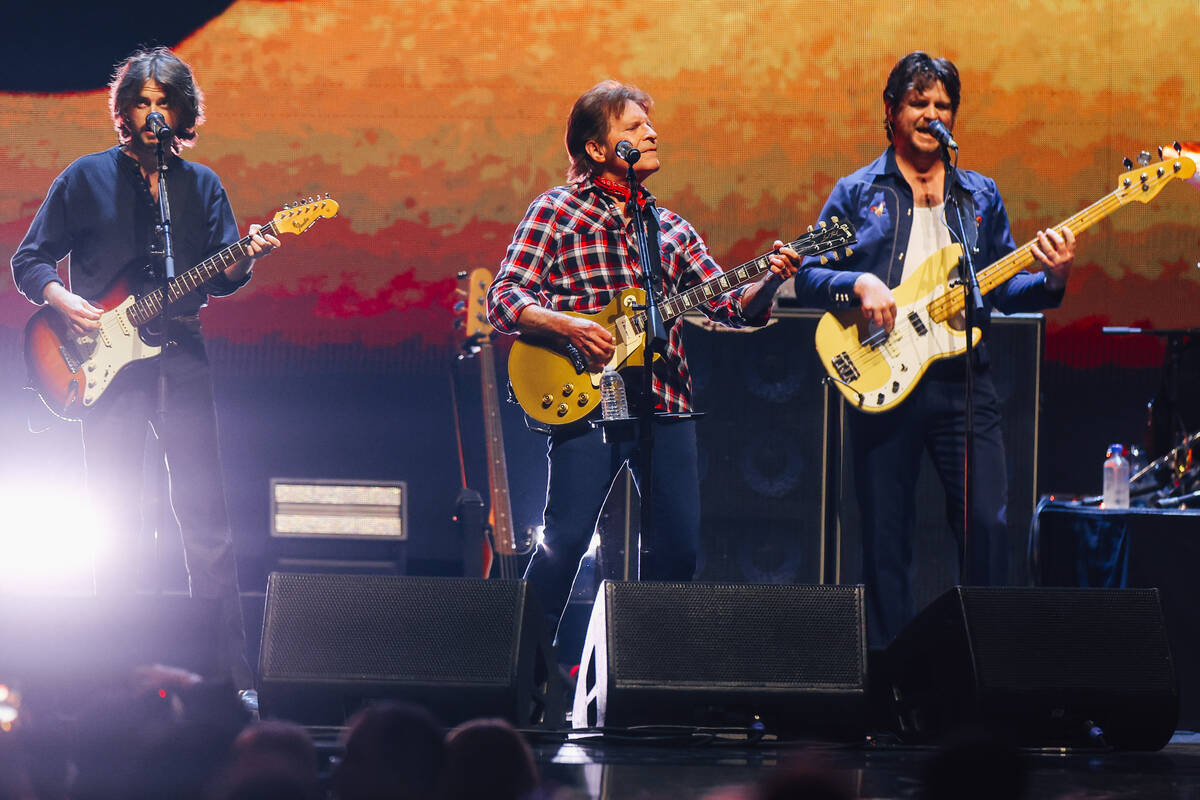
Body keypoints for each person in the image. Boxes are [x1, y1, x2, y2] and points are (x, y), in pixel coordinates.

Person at [487, 79, 801, 650]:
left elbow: (731, 306)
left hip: (665, 402)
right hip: (592, 397)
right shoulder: (556, 211)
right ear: (597, 149)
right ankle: (517, 670)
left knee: (677, 550)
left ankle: (651, 679)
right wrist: (569, 325)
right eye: (632, 128)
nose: (651, 134)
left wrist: (771, 279)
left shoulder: (670, 228)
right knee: (565, 541)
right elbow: (505, 298)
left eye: (649, 126)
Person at [10, 47, 279, 691]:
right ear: (123, 110)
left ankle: (228, 681)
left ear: (182, 111)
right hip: (98, 364)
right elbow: (31, 260)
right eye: (142, 101)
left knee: (206, 515)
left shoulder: (201, 186)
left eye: (165, 102)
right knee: (116, 517)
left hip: (181, 355)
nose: (152, 112)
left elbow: (224, 274)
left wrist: (248, 257)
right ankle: (115, 677)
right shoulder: (85, 178)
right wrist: (63, 298)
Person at [793, 52, 1076, 647]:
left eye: (942, 105)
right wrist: (860, 282)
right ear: (892, 111)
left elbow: (1002, 288)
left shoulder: (978, 195)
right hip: (881, 376)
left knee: (987, 525)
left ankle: (979, 666)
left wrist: (1051, 280)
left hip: (963, 384)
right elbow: (809, 273)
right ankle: (895, 682)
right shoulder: (857, 191)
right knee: (886, 537)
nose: (931, 114)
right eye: (918, 102)